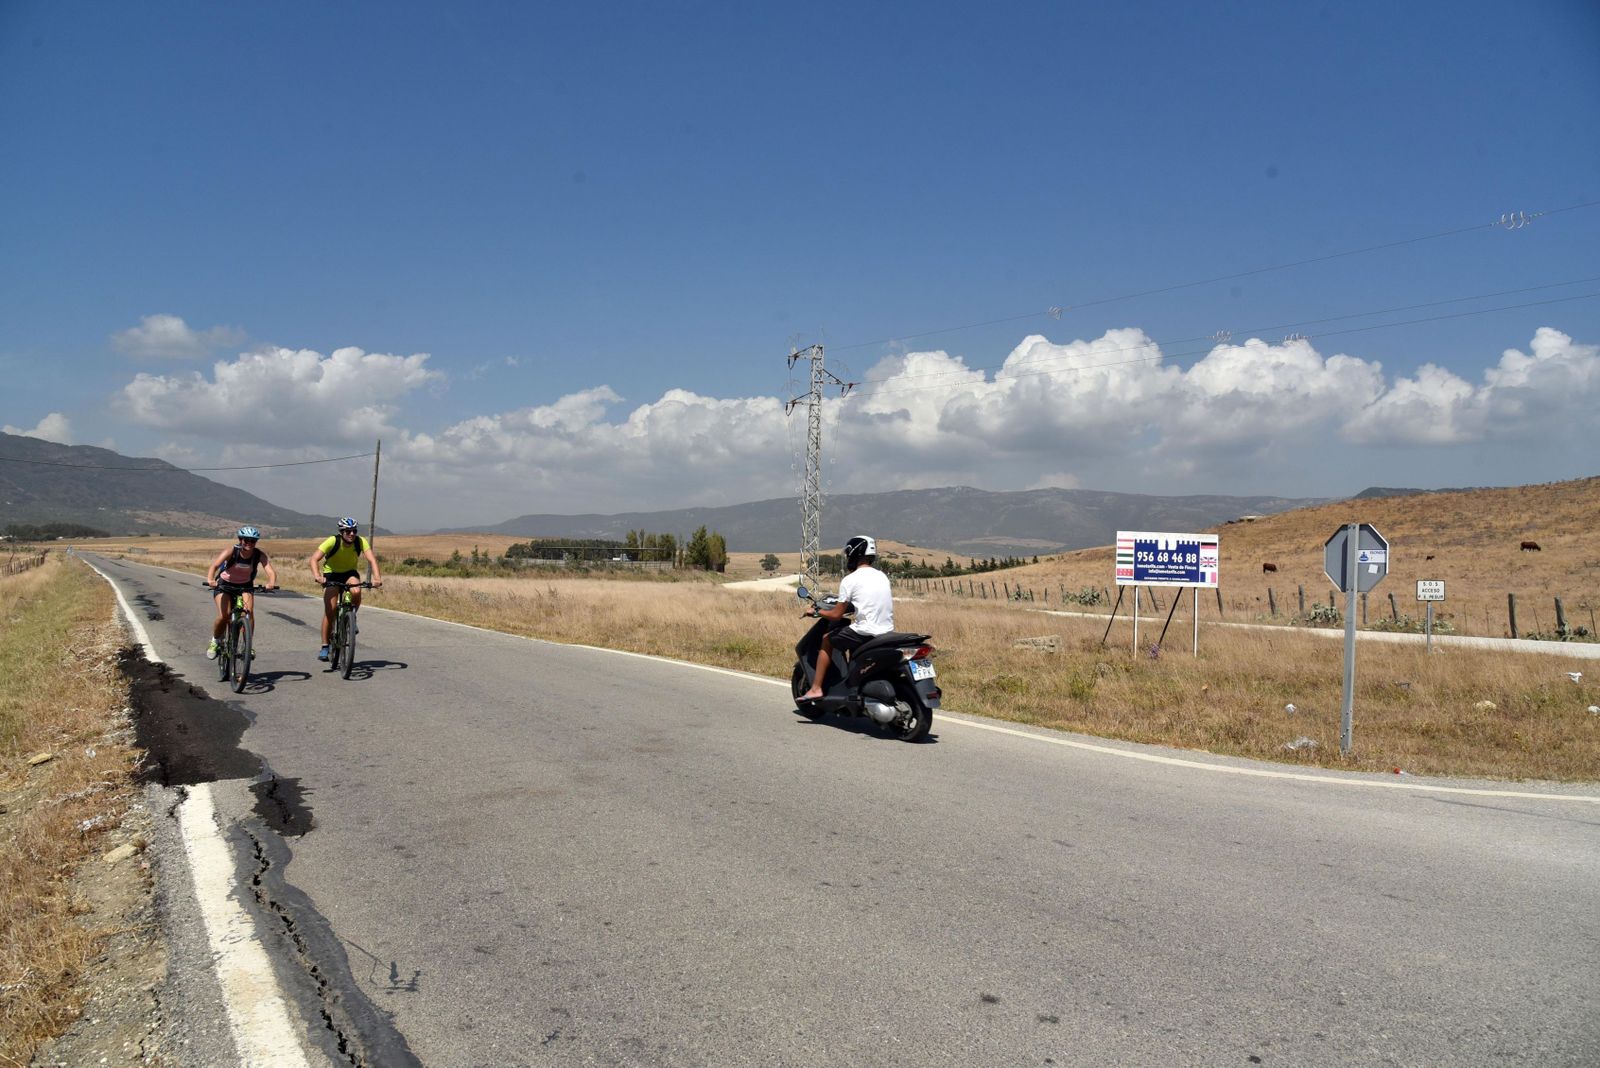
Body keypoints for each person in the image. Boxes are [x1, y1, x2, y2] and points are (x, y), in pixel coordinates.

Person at [800, 534, 893, 701]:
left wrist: (816, 612)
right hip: (886, 631)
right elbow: (869, 600)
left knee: (827, 638)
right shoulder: (882, 576)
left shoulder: (850, 580)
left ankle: (816, 688)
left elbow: (836, 615)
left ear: (854, 554)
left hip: (865, 631)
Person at [309, 517, 382, 661]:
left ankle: (351, 617)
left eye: (354, 531)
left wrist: (377, 578)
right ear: (341, 532)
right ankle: (325, 646)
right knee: (330, 612)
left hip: (349, 573)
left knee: (356, 590)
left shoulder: (360, 541)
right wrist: (318, 576)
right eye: (348, 531)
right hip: (331, 574)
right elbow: (314, 559)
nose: (352, 534)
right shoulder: (332, 541)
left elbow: (372, 560)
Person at [205, 526, 279, 658]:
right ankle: (215, 641)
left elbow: (270, 571)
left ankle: (247, 646)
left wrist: (271, 583)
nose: (249, 543)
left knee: (248, 614)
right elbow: (215, 566)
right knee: (224, 616)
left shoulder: (259, 555)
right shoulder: (231, 551)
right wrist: (211, 580)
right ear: (240, 540)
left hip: (245, 586)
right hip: (224, 585)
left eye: (253, 541)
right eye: (246, 540)